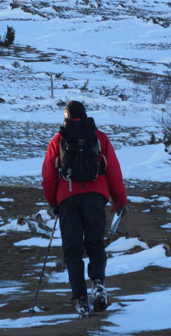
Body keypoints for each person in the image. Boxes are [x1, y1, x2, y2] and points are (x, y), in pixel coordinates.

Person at [41, 100, 128, 317]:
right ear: (85, 115)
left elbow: (49, 175)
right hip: (96, 197)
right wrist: (120, 201)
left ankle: (80, 299)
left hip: (68, 200)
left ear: (66, 117)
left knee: (73, 250)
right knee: (95, 244)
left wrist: (53, 202)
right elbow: (114, 171)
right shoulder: (99, 137)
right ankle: (98, 284)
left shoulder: (58, 140)